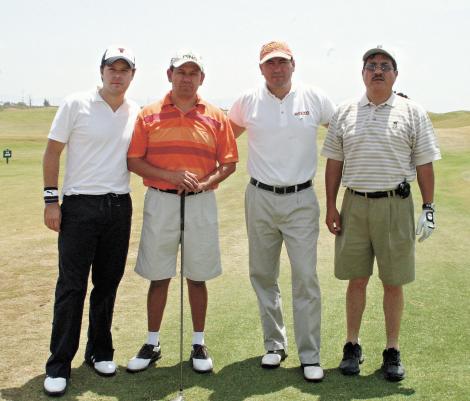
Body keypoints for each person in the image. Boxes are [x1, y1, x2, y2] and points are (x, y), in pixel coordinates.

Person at [321, 45, 441, 381]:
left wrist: (428, 207)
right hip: (354, 203)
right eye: (371, 65)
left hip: (395, 204)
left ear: (395, 74)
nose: (378, 70)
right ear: (362, 73)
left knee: (393, 281)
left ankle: (391, 350)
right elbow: (334, 162)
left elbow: (424, 163)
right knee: (356, 280)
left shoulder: (412, 111)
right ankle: (351, 345)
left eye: (385, 66)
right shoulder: (345, 111)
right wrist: (331, 204)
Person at [228, 41, 336, 382]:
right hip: (259, 197)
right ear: (261, 68)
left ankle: (310, 354)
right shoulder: (247, 101)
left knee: (305, 276)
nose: (277, 69)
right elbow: (224, 139)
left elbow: (341, 132)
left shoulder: (314, 98)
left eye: (282, 63)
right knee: (262, 274)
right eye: (270, 64)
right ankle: (274, 345)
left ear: (294, 64)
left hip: (301, 199)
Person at [126, 50, 238, 374]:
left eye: (193, 72)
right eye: (181, 72)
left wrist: (205, 183)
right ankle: (152, 342)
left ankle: (198, 342)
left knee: (197, 275)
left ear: (201, 78)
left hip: (201, 202)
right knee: (158, 275)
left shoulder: (216, 116)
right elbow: (134, 160)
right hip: (161, 199)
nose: (186, 78)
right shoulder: (148, 114)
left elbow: (228, 163)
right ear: (169, 75)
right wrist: (171, 176)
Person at [42, 46, 140, 396]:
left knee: (108, 283)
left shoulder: (135, 111)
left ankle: (100, 351)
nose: (117, 75)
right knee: (72, 286)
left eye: (124, 70)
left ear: (132, 74)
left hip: (118, 206)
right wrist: (52, 201)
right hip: (80, 206)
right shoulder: (76, 103)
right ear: (101, 71)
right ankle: (58, 364)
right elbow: (52, 151)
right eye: (112, 68)